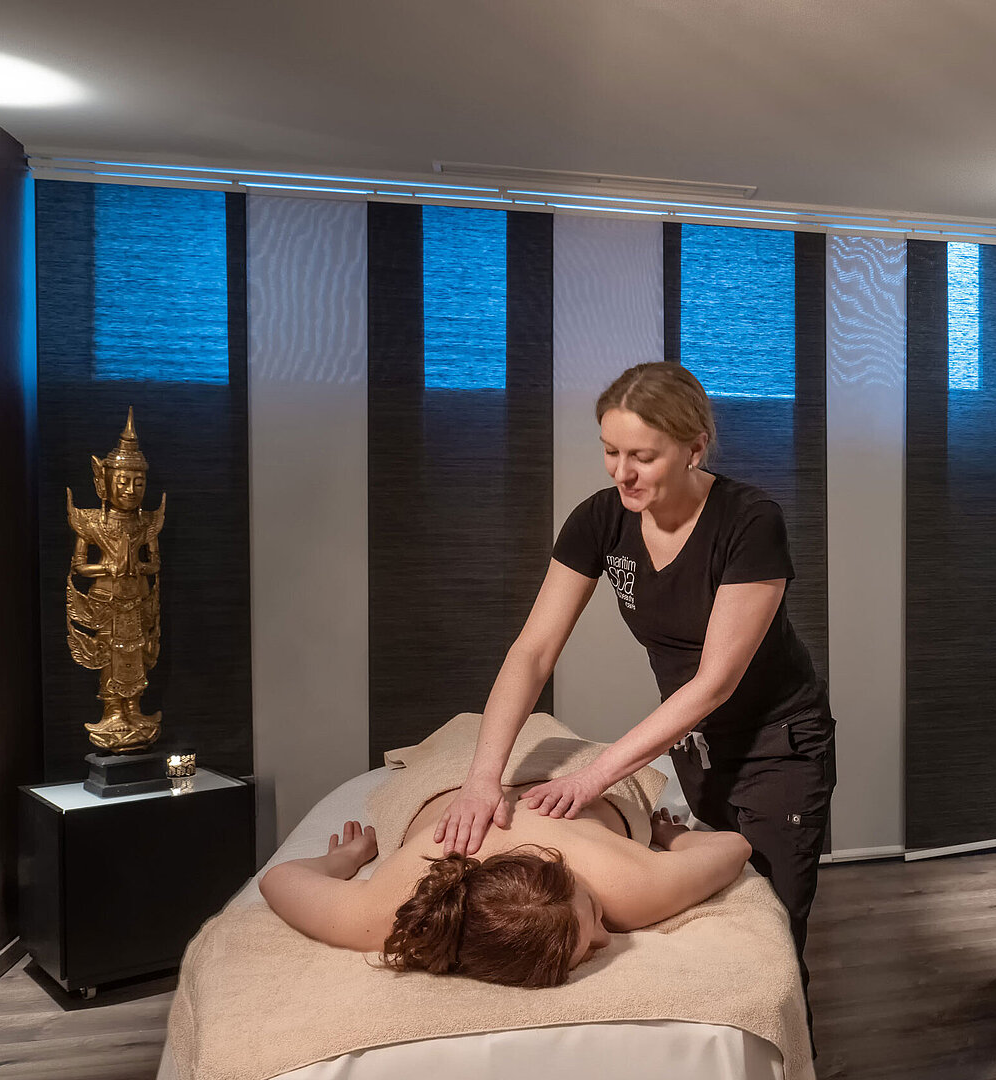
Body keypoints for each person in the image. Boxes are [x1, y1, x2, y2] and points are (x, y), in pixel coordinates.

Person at [433, 361, 837, 992]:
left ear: (694, 448)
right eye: (610, 451)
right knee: (718, 913)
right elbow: (533, 651)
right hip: (695, 745)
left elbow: (714, 682)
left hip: (777, 746)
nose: (622, 472)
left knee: (772, 933)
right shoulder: (601, 519)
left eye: (642, 456)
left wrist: (595, 776)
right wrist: (482, 780)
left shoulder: (749, 520)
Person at [259, 795, 750, 987]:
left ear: (568, 872)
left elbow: (737, 845)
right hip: (449, 787)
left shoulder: (625, 884)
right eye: (599, 923)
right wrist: (342, 859)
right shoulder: (390, 912)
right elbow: (730, 847)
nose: (607, 938)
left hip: (574, 780)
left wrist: (672, 837)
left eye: (594, 914)